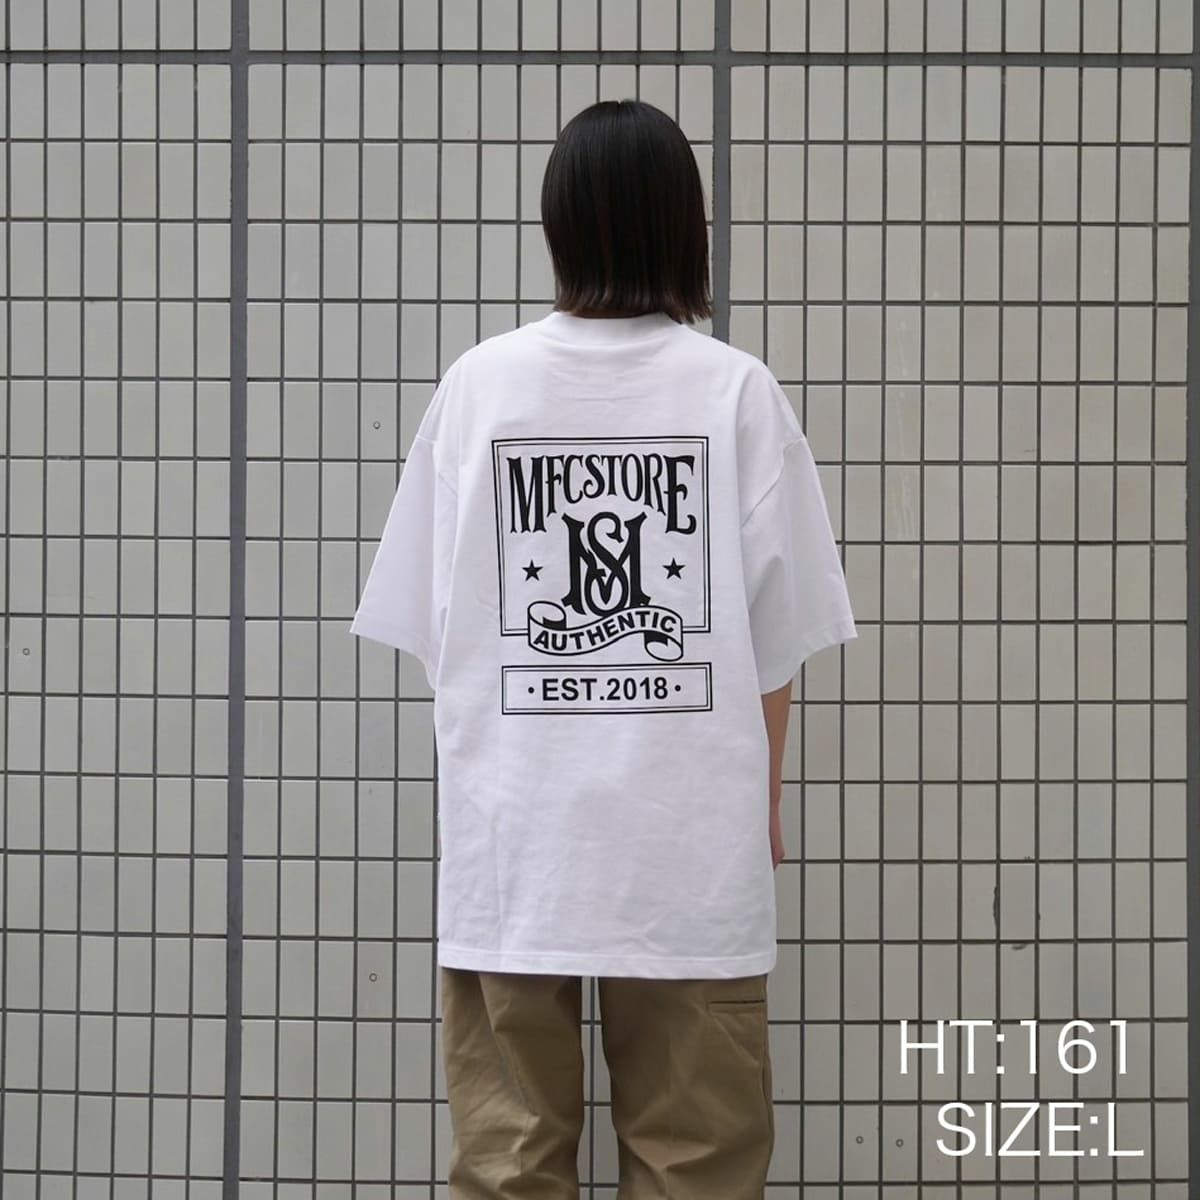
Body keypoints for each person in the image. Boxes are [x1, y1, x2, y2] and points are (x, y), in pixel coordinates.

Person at [349, 98, 857, 1199]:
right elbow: (775, 647)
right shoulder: (738, 393)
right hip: (691, 849)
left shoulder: (479, 387)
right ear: (686, 226)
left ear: (560, 224)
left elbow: (442, 636)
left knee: (509, 1166)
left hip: (512, 851)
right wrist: (762, 800)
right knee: (697, 1165)